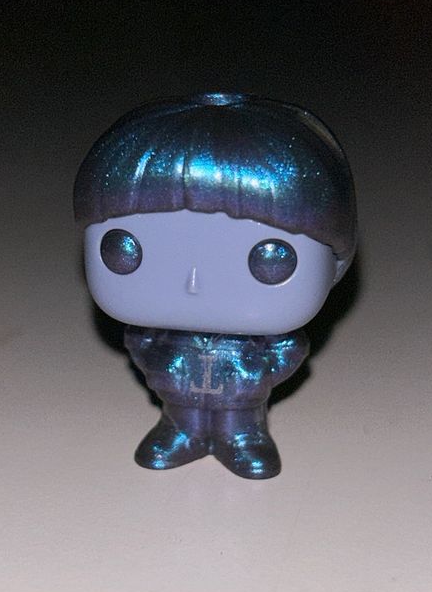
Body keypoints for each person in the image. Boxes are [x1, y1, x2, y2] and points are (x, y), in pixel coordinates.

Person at [74, 92, 356, 478]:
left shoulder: (258, 338)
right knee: (182, 416)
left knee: (239, 423)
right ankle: (181, 431)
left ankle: (243, 438)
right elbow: (139, 341)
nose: (193, 282)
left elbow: (290, 349)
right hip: (176, 391)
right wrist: (158, 366)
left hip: (242, 395)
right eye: (126, 250)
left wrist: (259, 373)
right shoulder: (159, 331)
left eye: (270, 259)